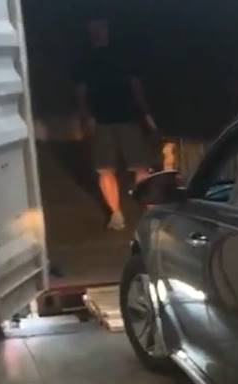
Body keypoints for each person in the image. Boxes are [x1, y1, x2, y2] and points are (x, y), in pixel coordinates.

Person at [75, 18, 157, 231]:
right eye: (95, 29)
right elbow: (81, 92)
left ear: (107, 31)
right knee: (105, 170)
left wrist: (145, 113)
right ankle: (116, 213)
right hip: (102, 121)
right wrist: (86, 118)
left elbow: (135, 85)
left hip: (127, 118)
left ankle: (149, 209)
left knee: (140, 167)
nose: (99, 32)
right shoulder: (86, 59)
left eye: (101, 28)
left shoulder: (122, 55)